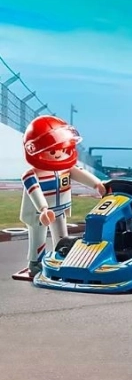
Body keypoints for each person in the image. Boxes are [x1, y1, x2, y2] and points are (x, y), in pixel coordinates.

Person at [20, 115, 106, 277]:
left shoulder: (66, 168)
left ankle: (61, 257)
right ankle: (35, 263)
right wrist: (43, 209)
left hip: (59, 210)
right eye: (52, 151)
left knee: (62, 237)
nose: (59, 154)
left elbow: (81, 174)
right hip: (39, 214)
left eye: (63, 149)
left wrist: (97, 185)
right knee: (38, 238)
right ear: (33, 149)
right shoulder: (31, 175)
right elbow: (35, 191)